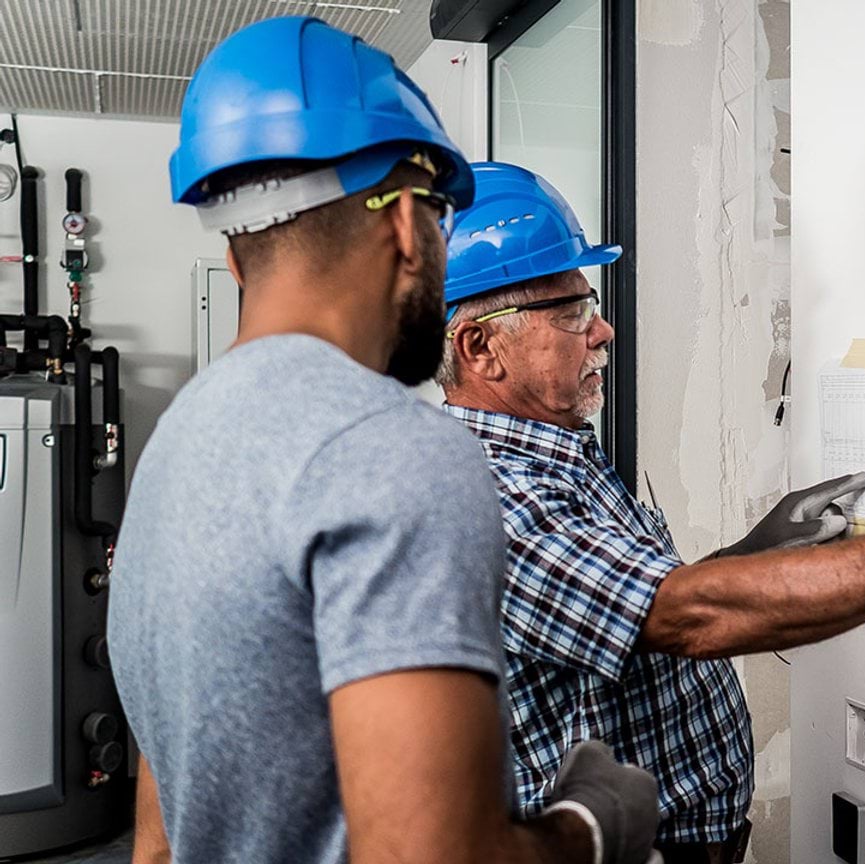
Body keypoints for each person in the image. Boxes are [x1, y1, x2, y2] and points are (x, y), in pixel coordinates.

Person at [436, 162, 865, 863]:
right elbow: (680, 617)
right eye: (572, 313)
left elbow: (632, 606)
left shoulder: (562, 452)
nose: (603, 330)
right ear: (481, 349)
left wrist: (756, 551)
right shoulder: (482, 494)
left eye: (592, 302)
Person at [108, 21, 658, 864]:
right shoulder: (392, 449)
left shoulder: (174, 447)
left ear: (237, 258)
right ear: (407, 223)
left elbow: (160, 829)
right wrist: (590, 822)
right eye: (441, 223)